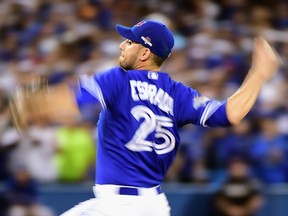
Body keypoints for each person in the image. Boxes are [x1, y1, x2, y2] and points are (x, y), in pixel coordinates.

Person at [16, 20, 279, 216]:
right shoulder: (179, 94)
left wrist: (29, 104)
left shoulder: (118, 80)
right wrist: (258, 74)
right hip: (152, 205)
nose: (122, 44)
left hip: (118, 206)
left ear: (144, 53)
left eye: (130, 42)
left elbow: (67, 103)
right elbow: (230, 114)